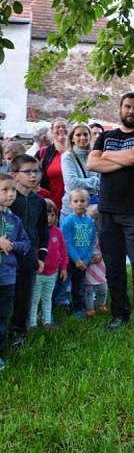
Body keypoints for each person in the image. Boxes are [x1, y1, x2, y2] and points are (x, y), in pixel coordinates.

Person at [87, 92, 134, 331]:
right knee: (114, 266)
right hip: (107, 211)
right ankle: (120, 314)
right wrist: (126, 157)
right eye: (127, 107)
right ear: (120, 109)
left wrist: (109, 156)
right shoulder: (107, 136)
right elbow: (92, 163)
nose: (131, 111)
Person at [10, 154, 48, 347]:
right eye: (28, 172)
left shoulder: (39, 202)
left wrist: (41, 256)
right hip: (7, 256)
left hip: (28, 256)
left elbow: (43, 231)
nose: (34, 175)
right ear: (14, 175)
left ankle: (19, 333)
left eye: (37, 171)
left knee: (24, 295)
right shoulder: (7, 200)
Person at [0, 173, 31, 369]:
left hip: (6, 278)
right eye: (5, 190)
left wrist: (12, 245)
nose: (11, 194)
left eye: (13, 189)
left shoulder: (15, 220)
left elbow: (26, 244)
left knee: (2, 317)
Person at [29, 199, 68, 328]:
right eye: (47, 215)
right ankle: (32, 323)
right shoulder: (36, 232)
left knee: (47, 297)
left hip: (53, 273)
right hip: (38, 272)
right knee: (34, 299)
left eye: (53, 215)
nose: (50, 218)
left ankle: (47, 321)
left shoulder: (58, 232)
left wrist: (63, 268)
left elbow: (63, 251)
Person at [61, 189, 97, 319]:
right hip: (69, 261)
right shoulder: (68, 221)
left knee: (79, 286)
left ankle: (78, 309)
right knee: (62, 285)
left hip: (83, 262)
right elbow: (66, 242)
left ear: (88, 202)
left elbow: (92, 242)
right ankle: (51, 308)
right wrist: (76, 259)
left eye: (82, 201)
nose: (79, 204)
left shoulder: (89, 222)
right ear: (70, 203)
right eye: (76, 201)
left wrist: (86, 260)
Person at [60, 123, 100, 219]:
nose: (82, 138)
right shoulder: (68, 156)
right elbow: (72, 183)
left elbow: (102, 182)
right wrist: (94, 181)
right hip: (71, 211)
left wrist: (86, 183)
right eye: (78, 135)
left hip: (92, 209)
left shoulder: (94, 155)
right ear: (72, 138)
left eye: (85, 134)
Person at [39, 118, 69, 212]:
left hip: (75, 206)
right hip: (51, 207)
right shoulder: (43, 153)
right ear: (52, 132)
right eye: (57, 127)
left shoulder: (77, 152)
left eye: (64, 127)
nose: (61, 129)